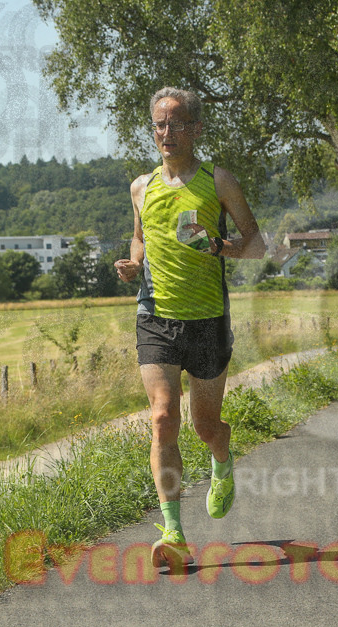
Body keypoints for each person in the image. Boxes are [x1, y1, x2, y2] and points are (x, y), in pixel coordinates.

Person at [115, 87, 266, 571]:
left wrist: (219, 246)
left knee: (205, 426)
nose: (166, 133)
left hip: (207, 319)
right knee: (163, 418)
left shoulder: (218, 181)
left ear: (196, 129)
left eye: (176, 124)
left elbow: (256, 243)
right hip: (155, 314)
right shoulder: (141, 187)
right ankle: (173, 532)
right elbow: (140, 239)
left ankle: (222, 460)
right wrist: (133, 266)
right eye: (159, 124)